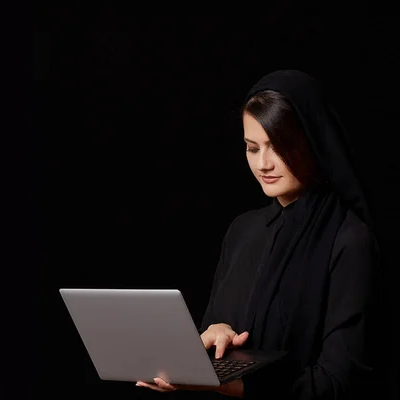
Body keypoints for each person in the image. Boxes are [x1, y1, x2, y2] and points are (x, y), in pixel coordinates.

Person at [136, 70, 382, 399]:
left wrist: (230, 385)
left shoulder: (350, 240)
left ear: (313, 142)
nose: (263, 163)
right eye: (252, 148)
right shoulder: (243, 230)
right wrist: (211, 336)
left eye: (277, 147)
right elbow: (218, 341)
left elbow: (339, 383)